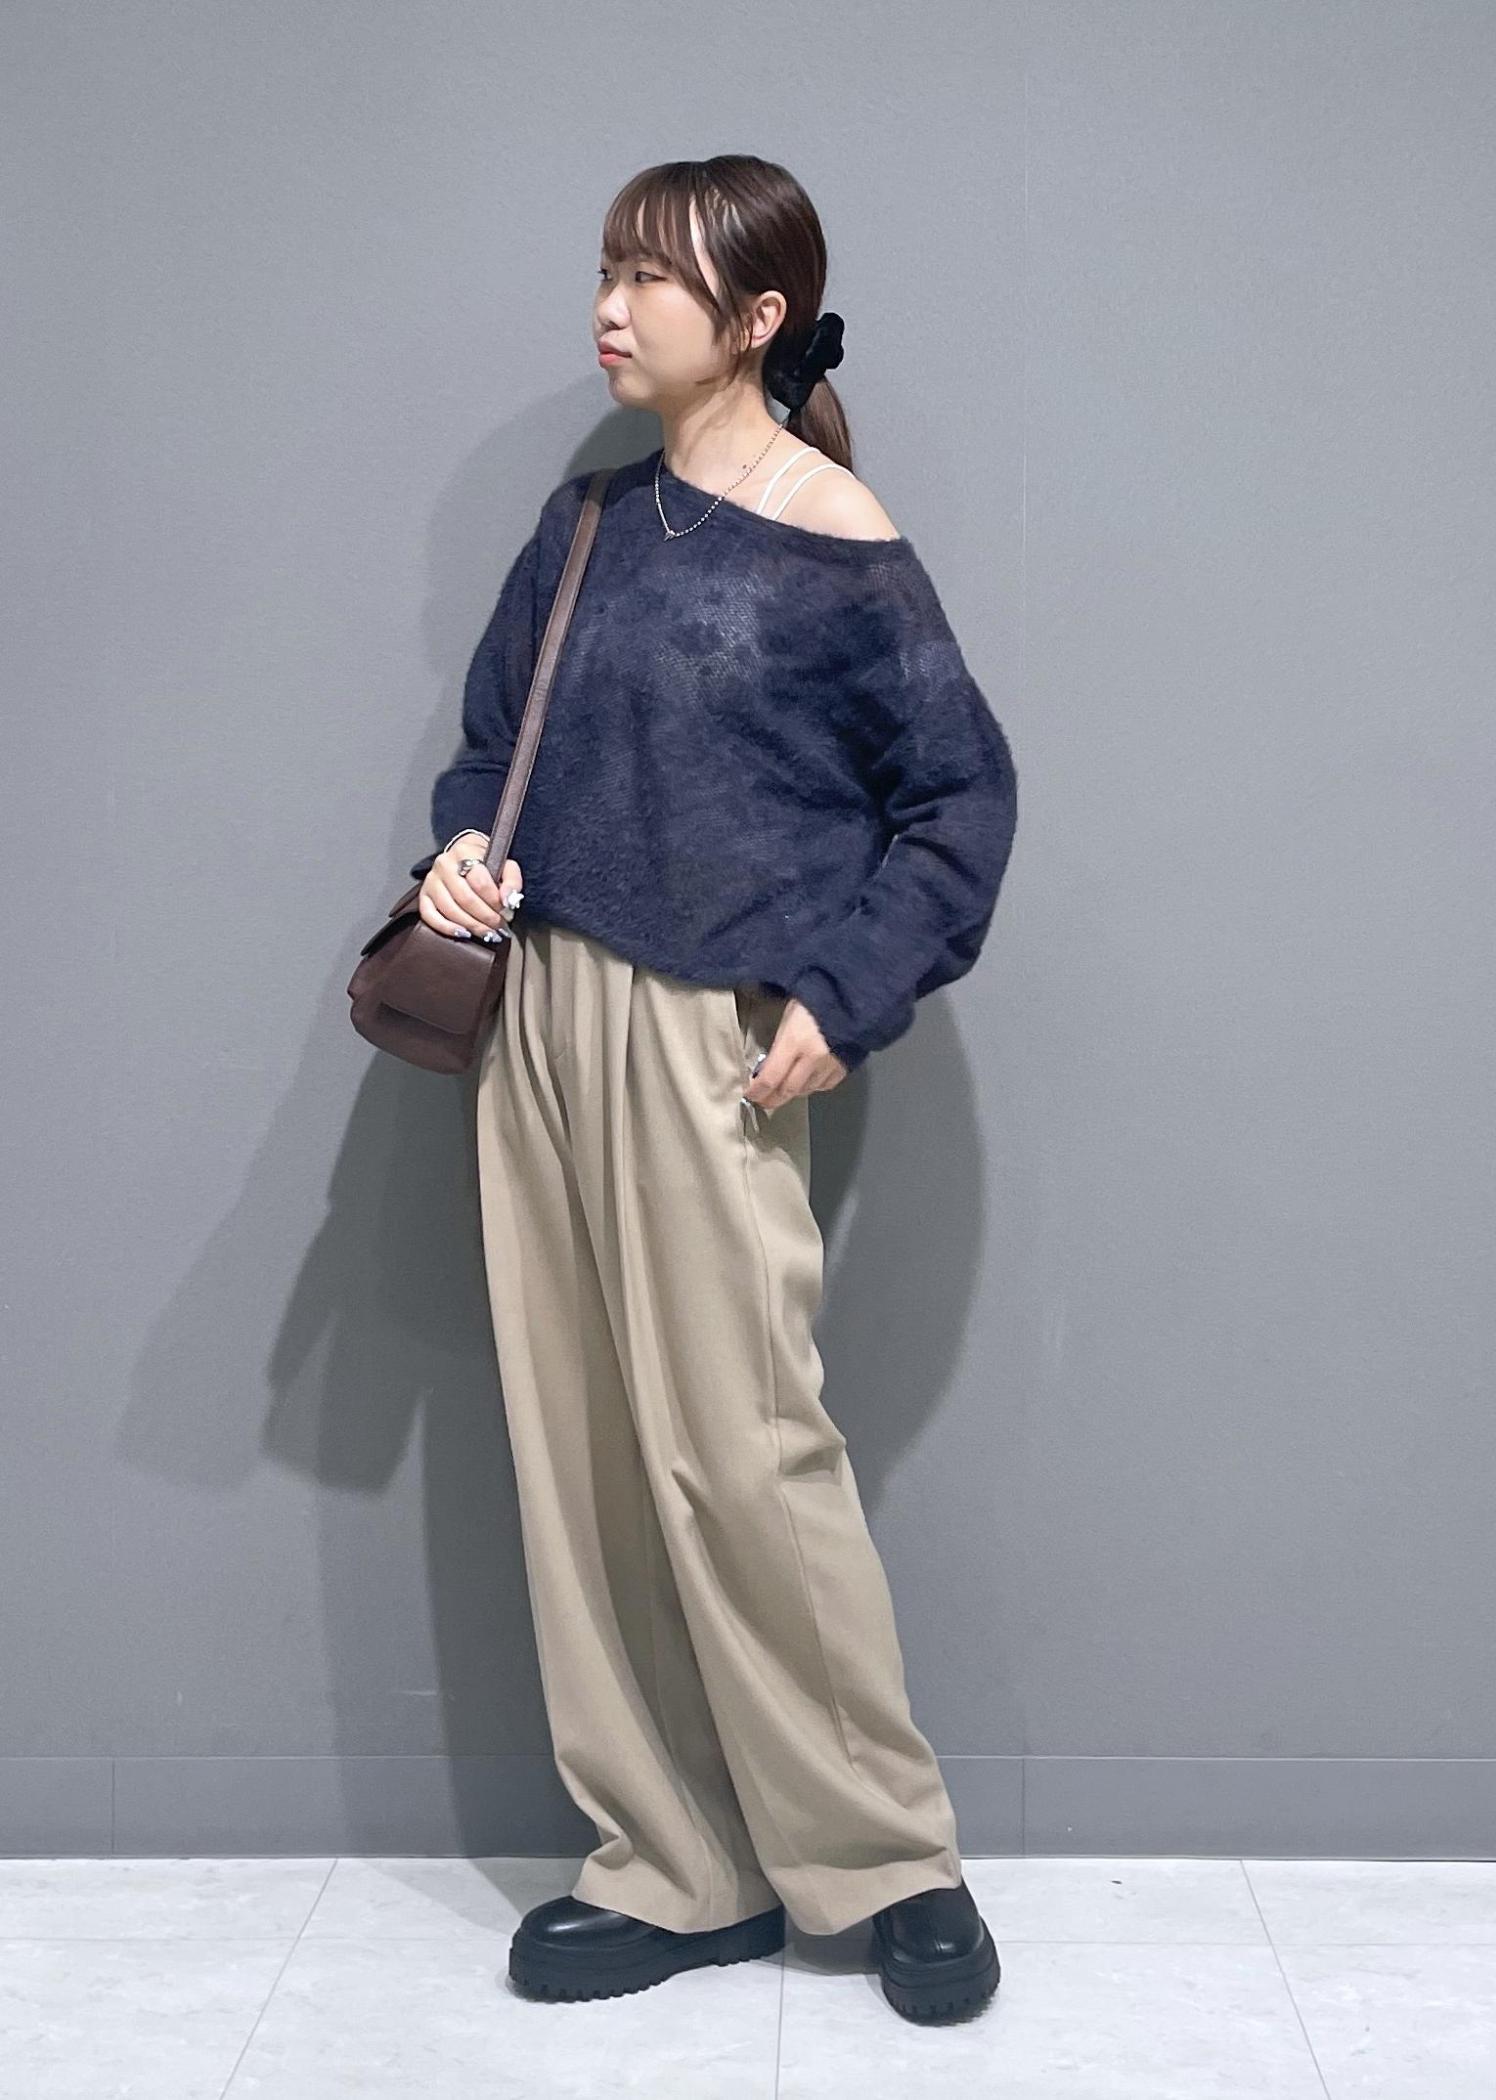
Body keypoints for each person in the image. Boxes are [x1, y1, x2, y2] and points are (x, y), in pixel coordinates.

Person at [408, 155, 1018, 2024]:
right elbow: (491, 751)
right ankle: (673, 1867)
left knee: (744, 1455)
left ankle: (887, 1858)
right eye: (605, 268)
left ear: (756, 319)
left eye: (651, 278)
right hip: (538, 1018)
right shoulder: (587, 521)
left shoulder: (838, 538)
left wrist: (846, 991)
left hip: (709, 1045)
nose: (610, 306)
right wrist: (460, 854)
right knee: (581, 1456)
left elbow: (959, 802)